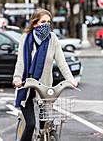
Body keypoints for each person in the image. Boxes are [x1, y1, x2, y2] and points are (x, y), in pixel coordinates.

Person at [13, 8, 78, 141]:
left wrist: (70, 79)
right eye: (43, 22)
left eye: (48, 22)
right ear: (35, 23)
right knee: (30, 125)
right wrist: (17, 78)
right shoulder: (25, 38)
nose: (46, 25)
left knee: (46, 125)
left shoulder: (52, 38)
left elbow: (61, 62)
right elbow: (21, 62)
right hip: (27, 89)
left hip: (45, 90)